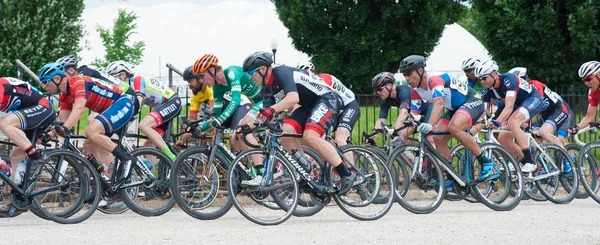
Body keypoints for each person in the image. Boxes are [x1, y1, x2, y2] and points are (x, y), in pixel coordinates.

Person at [242, 51, 356, 195]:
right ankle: (306, 173)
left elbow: (293, 98)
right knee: (285, 133)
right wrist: (248, 128)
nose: (250, 77)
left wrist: (271, 110)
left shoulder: (281, 72)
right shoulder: (266, 88)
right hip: (308, 106)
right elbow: (267, 116)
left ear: (263, 69)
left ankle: (346, 174)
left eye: (251, 73)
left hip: (326, 99)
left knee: (310, 136)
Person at [399, 55, 493, 182]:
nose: (407, 78)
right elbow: (414, 117)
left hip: (472, 100)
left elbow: (438, 104)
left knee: (454, 128)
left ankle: (486, 163)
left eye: (409, 73)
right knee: (438, 138)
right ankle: (452, 177)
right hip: (455, 109)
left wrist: (430, 125)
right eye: (404, 75)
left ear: (420, 71)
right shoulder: (415, 91)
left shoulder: (434, 80)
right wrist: (400, 136)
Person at [38, 63, 135, 184]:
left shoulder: (78, 82)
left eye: (45, 82)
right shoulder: (64, 96)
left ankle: (126, 159)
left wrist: (64, 128)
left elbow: (79, 109)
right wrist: (49, 135)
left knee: (91, 131)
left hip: (122, 103)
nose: (43, 86)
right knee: (88, 146)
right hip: (108, 110)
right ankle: (104, 183)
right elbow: (63, 121)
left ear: (57, 79)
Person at [186, 54, 263, 176]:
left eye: (201, 76)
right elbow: (215, 116)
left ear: (211, 70)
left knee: (243, 127)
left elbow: (236, 100)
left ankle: (260, 172)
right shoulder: (217, 89)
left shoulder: (231, 73)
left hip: (266, 100)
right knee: (237, 136)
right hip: (258, 102)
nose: (201, 81)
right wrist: (200, 128)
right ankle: (254, 166)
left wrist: (221, 120)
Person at [474, 59, 543, 173]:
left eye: (484, 77)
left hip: (532, 99)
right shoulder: (487, 90)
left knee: (513, 122)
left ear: (494, 74)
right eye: (479, 79)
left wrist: (498, 122)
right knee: (503, 138)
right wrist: (475, 125)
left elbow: (509, 107)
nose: (482, 81)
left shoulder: (508, 79)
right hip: (518, 105)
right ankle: (526, 164)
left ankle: (530, 162)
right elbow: (483, 112)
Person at [0, 77, 56, 215]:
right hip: (27, 112)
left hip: (42, 107)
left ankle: (36, 158)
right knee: (16, 156)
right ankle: (19, 200)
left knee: (5, 124)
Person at [106, 60, 181, 161]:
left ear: (123, 75)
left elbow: (137, 107)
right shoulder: (128, 90)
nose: (112, 82)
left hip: (172, 101)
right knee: (149, 145)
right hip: (163, 106)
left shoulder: (137, 80)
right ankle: (155, 176)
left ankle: (172, 159)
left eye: (113, 77)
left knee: (144, 125)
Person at [370, 71, 433, 144]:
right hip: (415, 116)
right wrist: (373, 139)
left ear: (389, 86)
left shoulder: (403, 92)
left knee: (429, 139)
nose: (378, 92)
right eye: (376, 90)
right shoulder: (385, 100)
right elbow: (381, 120)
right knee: (396, 138)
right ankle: (415, 152)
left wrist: (396, 129)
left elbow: (404, 113)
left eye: (379, 89)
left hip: (428, 111)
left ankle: (434, 153)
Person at [175, 66, 214, 147]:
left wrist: (202, 130)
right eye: (187, 82)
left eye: (190, 81)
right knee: (202, 132)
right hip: (213, 115)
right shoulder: (194, 96)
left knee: (211, 130)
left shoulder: (210, 88)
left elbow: (213, 112)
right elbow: (192, 118)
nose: (189, 85)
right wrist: (184, 137)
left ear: (199, 79)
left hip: (228, 111)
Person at [572, 61, 600, 134]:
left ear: (598, 75)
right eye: (584, 80)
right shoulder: (593, 92)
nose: (587, 83)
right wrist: (576, 128)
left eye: (588, 79)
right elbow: (589, 117)